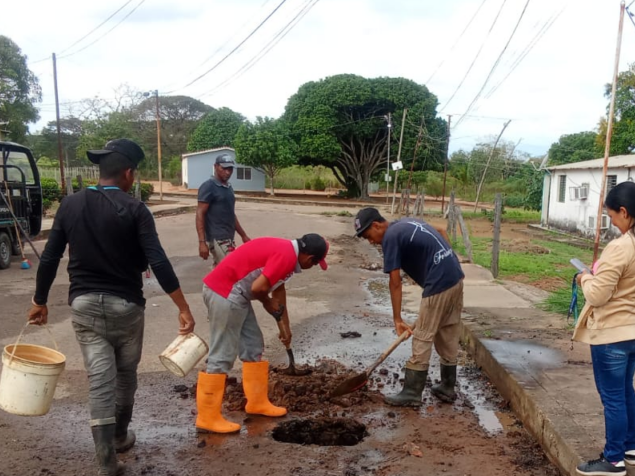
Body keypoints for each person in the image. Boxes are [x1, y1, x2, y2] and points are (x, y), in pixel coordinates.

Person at [27, 139, 196, 476]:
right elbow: (158, 261)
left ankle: (106, 462)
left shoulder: (70, 204)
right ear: (129, 174)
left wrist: (39, 301)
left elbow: (50, 257)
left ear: (101, 172)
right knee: (125, 375)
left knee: (100, 380)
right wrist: (182, 307)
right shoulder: (136, 210)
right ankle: (119, 436)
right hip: (126, 307)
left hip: (84, 305)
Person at [572, 180, 635, 476]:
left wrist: (584, 277)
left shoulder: (621, 247)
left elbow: (597, 295)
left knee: (613, 397)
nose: (613, 223)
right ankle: (631, 448)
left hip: (614, 334)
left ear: (625, 212)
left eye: (613, 216)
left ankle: (613, 459)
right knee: (624, 389)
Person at [196, 233, 329, 433]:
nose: (312, 267)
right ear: (310, 258)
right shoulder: (286, 256)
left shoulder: (287, 252)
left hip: (237, 295)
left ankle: (257, 403)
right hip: (225, 292)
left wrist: (285, 328)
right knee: (222, 354)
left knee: (253, 345)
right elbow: (258, 288)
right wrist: (267, 303)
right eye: (316, 263)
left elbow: (279, 291)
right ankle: (207, 418)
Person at [354, 207, 465, 407]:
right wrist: (448, 261)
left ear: (376, 225)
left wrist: (397, 319)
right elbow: (441, 230)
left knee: (422, 335)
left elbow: (395, 282)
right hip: (455, 276)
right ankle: (448, 387)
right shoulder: (405, 223)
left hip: (439, 282)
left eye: (368, 236)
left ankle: (412, 392)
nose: (370, 242)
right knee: (447, 330)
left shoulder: (390, 238)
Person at [196, 153, 250, 265]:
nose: (228, 172)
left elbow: (231, 215)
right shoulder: (208, 186)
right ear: (215, 166)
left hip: (228, 237)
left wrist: (243, 235)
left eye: (230, 169)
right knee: (231, 268)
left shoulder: (228, 187)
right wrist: (202, 242)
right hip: (218, 239)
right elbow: (200, 213)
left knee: (221, 271)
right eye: (224, 168)